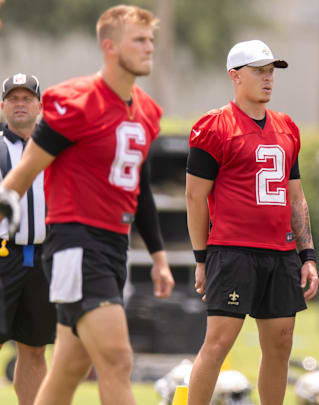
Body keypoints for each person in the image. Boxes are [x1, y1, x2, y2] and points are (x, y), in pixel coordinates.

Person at [0, 5, 175, 405]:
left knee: (68, 368)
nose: (149, 48)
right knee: (116, 359)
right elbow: (23, 173)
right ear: (110, 47)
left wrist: (159, 254)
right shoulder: (75, 102)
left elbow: (140, 188)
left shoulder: (147, 110)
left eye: (151, 40)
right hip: (75, 243)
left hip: (114, 245)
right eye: (139, 41)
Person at [185, 39, 319, 405]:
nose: (268, 78)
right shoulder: (214, 126)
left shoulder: (287, 127)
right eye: (259, 71)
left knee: (280, 343)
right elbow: (195, 197)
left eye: (271, 71)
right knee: (218, 344)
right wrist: (201, 258)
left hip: (280, 251)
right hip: (233, 251)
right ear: (235, 76)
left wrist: (307, 254)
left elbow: (296, 196)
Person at [0, 73, 56, 405]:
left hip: (42, 256)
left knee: (34, 348)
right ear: (3, 106)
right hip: (3, 255)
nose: (20, 105)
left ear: (40, 105)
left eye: (27, 99)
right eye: (14, 99)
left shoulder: (55, 150)